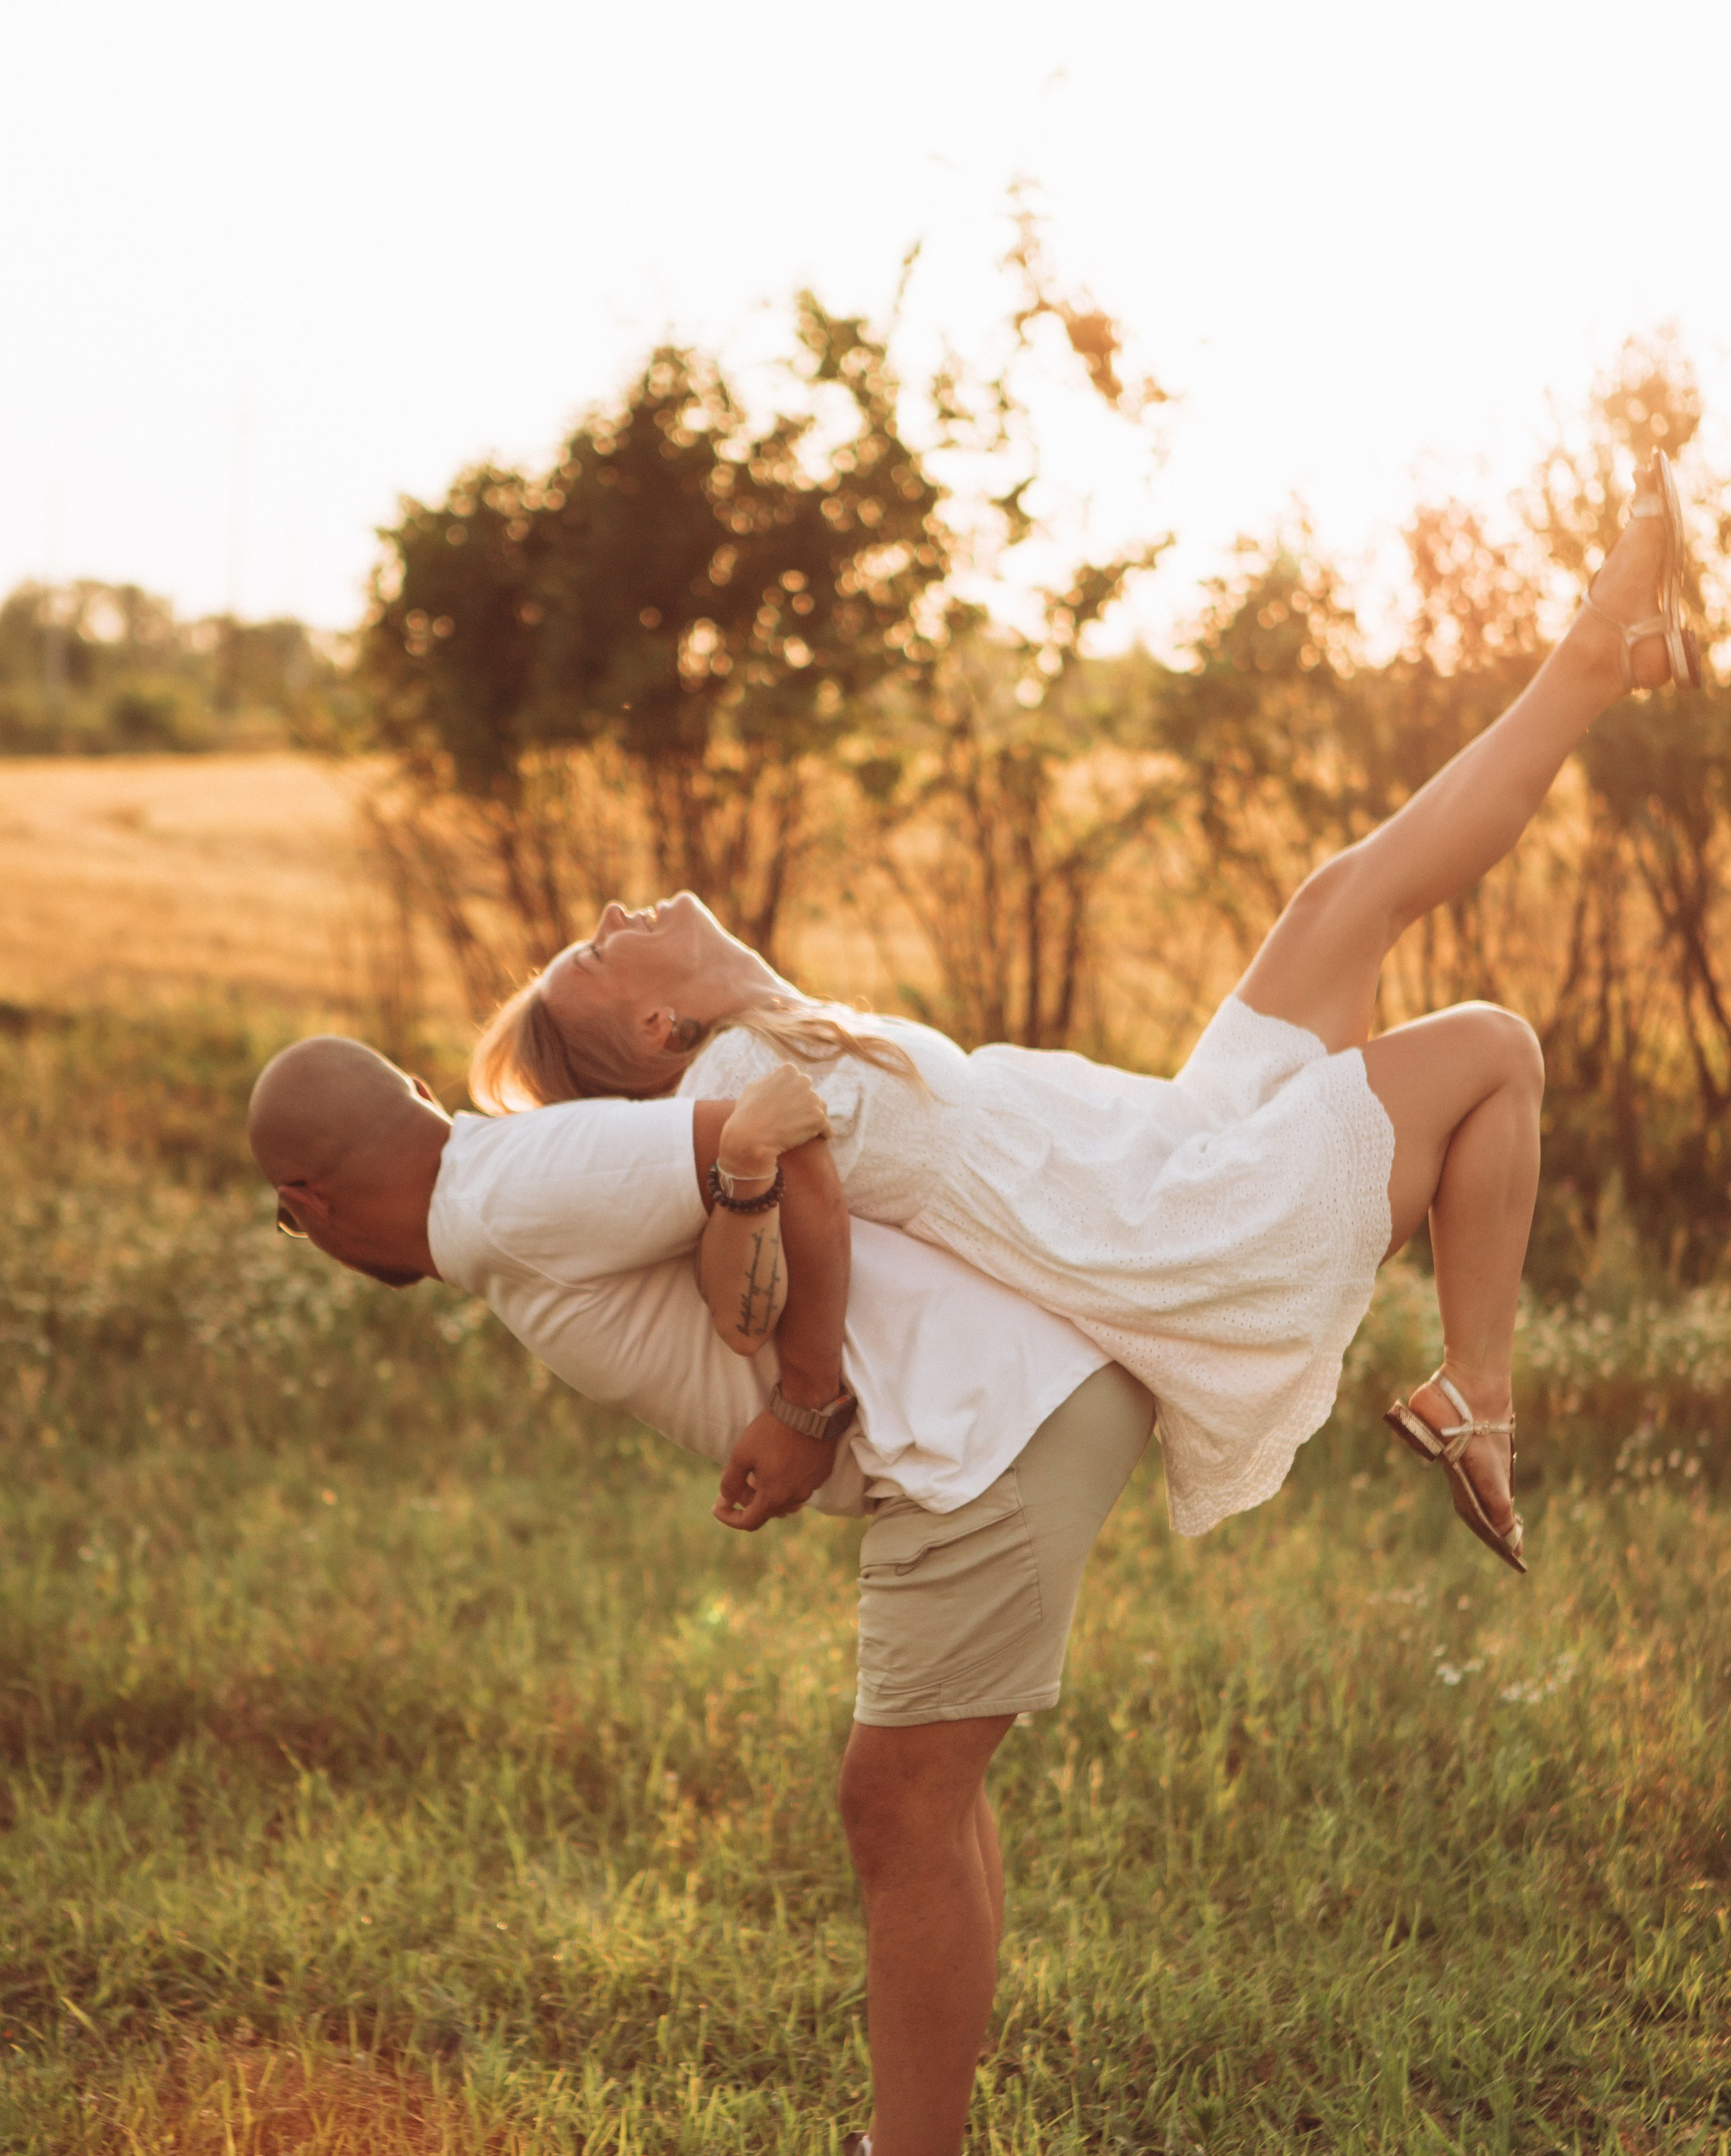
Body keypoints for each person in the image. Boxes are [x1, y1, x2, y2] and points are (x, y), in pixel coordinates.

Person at [472, 461, 1704, 1573]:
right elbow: (736, 1284)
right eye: (601, 948)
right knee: (1494, 1049)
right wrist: (743, 1197)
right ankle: (1474, 1401)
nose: (620, 909)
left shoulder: (775, 1028)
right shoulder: (726, 1084)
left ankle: (1606, 655)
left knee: (1350, 893)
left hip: (1160, 1142)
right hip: (1179, 1225)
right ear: (653, 1035)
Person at [247, 1035, 1153, 2156]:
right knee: (922, 1797)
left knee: (896, 1801)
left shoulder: (505, 1188)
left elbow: (767, 1130)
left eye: (288, 1223)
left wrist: (801, 1403)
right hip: (980, 1428)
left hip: (986, 1435)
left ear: (310, 1207)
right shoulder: (495, 1194)